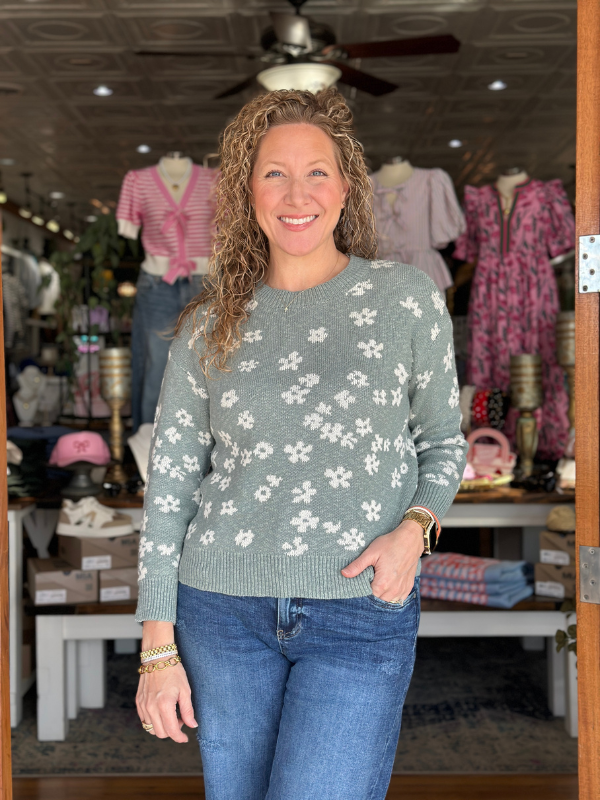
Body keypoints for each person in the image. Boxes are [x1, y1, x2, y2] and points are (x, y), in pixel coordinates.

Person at [135, 88, 467, 800]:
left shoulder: (404, 299)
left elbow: (442, 441)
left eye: (317, 171)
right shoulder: (208, 321)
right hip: (220, 612)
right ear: (246, 192)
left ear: (347, 188)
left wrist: (416, 530)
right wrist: (157, 645)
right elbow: (169, 488)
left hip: (360, 610)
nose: (297, 193)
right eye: (273, 173)